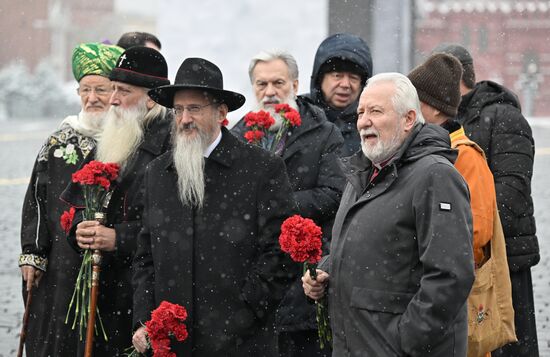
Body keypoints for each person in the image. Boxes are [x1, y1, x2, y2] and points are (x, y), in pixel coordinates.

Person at [131, 57, 297, 356]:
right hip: (174, 341)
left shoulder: (262, 168)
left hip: (242, 342)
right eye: (178, 110)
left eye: (194, 108)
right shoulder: (157, 172)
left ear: (222, 112)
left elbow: (280, 254)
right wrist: (145, 319)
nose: (184, 119)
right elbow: (146, 256)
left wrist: (242, 313)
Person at [302, 73, 475, 356]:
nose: (363, 121)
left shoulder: (435, 175)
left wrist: (405, 339)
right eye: (360, 112)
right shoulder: (362, 175)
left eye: (375, 112)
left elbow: (450, 276)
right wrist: (325, 271)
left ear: (408, 119)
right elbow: (368, 248)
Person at [231, 50, 344, 356]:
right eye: (261, 84)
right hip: (255, 287)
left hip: (305, 283)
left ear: (295, 85)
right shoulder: (239, 136)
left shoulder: (322, 132)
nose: (269, 92)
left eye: (278, 82)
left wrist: (279, 205)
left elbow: (334, 193)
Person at [61, 46, 172, 355]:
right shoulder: (115, 133)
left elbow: (176, 229)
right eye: (114, 90)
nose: (113, 99)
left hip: (142, 295)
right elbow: (78, 205)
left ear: (152, 97)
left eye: (124, 91)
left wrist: (118, 238)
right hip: (102, 292)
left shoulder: (171, 143)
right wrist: (80, 230)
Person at [433, 43, 539, 356]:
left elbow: (510, 193)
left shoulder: (503, 117)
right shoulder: (442, 122)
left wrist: (469, 239)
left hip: (503, 261)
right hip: (460, 260)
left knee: (507, 340)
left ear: (453, 79)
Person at [18, 42, 123, 357]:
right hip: (63, 260)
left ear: (116, 92)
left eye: (101, 90)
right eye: (85, 90)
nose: (92, 98)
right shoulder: (58, 141)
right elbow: (36, 198)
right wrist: (32, 254)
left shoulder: (128, 140)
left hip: (113, 258)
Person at [408, 53, 496, 267]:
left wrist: (418, 251)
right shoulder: (414, 147)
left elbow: (477, 231)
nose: (407, 108)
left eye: (414, 101)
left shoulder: (465, 155)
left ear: (437, 108)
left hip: (448, 280)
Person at [306, 33, 373, 156]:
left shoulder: (372, 123)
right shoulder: (299, 116)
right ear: (320, 79)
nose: (345, 84)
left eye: (353, 78)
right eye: (337, 76)